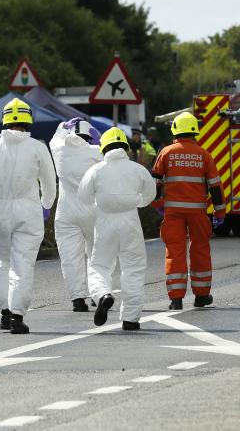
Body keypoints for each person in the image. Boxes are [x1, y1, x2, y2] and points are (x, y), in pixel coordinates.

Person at [0, 98, 56, 334]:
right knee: (23, 264)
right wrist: (46, 204)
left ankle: (4, 312)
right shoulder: (38, 147)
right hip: (28, 211)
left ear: (5, 119)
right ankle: (17, 317)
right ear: (28, 120)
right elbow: (49, 181)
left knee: (3, 262)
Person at [78, 127, 156, 330]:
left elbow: (83, 197)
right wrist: (136, 201)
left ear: (103, 148)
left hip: (105, 224)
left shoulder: (96, 170)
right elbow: (150, 194)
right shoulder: (137, 170)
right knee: (134, 269)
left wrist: (99, 203)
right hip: (130, 222)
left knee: (100, 266)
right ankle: (130, 319)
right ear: (126, 148)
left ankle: (103, 294)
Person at [151, 112, 225, 310]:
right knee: (200, 250)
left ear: (175, 130)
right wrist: (219, 213)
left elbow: (155, 183)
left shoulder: (166, 152)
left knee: (175, 252)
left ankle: (176, 299)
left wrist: (158, 206)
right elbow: (215, 187)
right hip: (198, 213)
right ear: (195, 131)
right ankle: (201, 296)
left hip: (173, 213)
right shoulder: (204, 155)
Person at [49, 117, 102, 313]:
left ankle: (78, 299)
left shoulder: (59, 150)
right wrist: (100, 141)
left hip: (66, 212)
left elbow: (54, 139)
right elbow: (114, 157)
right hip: (93, 210)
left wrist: (62, 127)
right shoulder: (95, 152)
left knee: (70, 258)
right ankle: (99, 293)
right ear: (89, 137)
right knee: (96, 255)